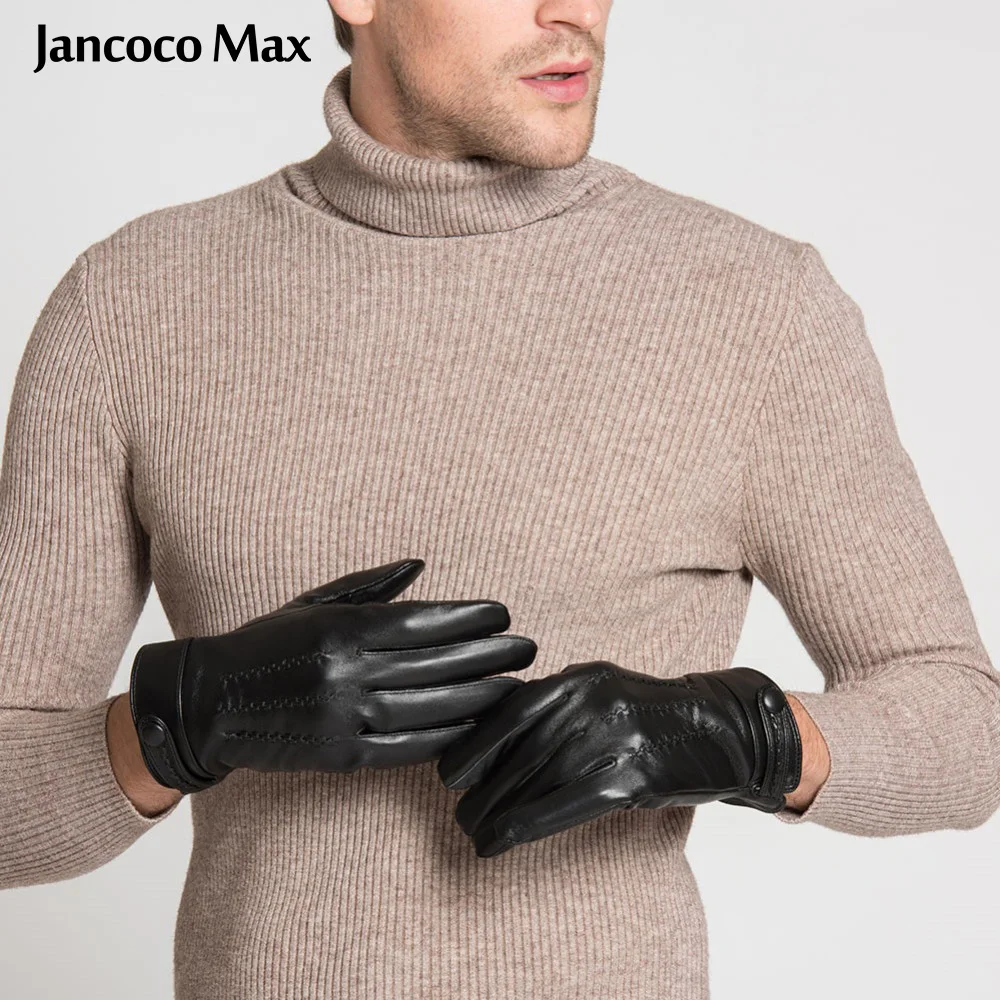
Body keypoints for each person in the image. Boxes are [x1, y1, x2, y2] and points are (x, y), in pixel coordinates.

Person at [1, 1, 997, 997]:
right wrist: (183, 719)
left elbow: (967, 730)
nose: (574, 11)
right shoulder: (131, 302)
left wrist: (740, 733)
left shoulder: (754, 302)